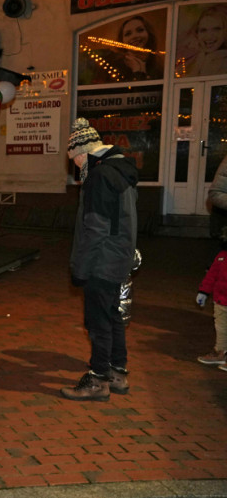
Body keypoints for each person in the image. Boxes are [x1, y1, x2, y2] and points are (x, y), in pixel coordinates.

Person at [62, 118, 138, 401]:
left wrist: (80, 268)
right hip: (118, 257)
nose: (76, 165)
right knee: (113, 316)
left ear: (84, 153)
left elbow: (95, 228)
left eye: (75, 159)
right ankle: (118, 372)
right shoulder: (120, 171)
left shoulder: (100, 177)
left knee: (98, 322)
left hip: (102, 261)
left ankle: (98, 380)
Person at [80, 15, 162, 84]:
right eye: (128, 34)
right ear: (122, 40)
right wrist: (138, 71)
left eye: (140, 30)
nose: (134, 36)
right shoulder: (113, 64)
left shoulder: (158, 65)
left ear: (148, 33)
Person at [196, 228, 227, 367]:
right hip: (221, 301)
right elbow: (211, 276)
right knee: (221, 328)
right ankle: (220, 352)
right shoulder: (221, 256)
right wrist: (203, 292)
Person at [177, 5, 227, 78]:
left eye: (216, 29)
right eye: (203, 30)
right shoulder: (191, 59)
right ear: (197, 33)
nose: (209, 36)